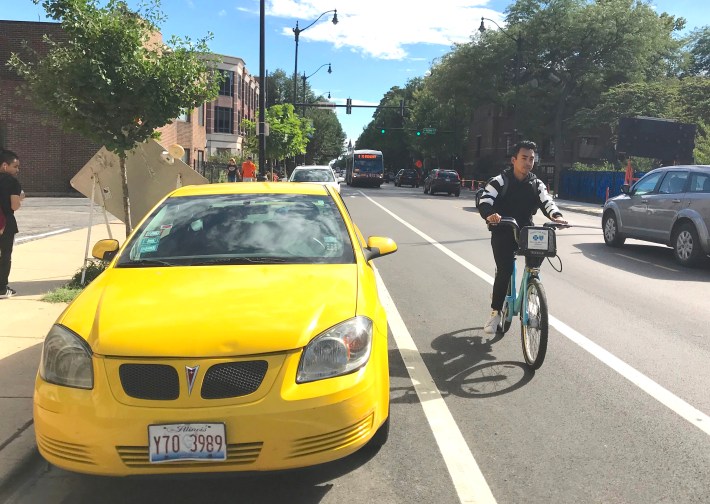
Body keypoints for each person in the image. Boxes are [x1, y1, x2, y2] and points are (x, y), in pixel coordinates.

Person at [477, 140, 566, 334]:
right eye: (524, 158)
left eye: (532, 159)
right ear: (514, 160)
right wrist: (491, 214)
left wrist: (556, 216)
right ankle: (495, 313)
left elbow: (547, 202)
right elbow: (484, 201)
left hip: (526, 231)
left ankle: (532, 292)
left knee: (533, 267)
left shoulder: (536, 183)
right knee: (505, 269)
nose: (528, 162)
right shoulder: (499, 181)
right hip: (503, 230)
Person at [0, 150, 25, 298]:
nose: (17, 170)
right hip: (5, 223)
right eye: (15, 166)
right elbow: (14, 205)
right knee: (5, 255)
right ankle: (2, 289)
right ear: (4, 165)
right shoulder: (12, 182)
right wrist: (20, 198)